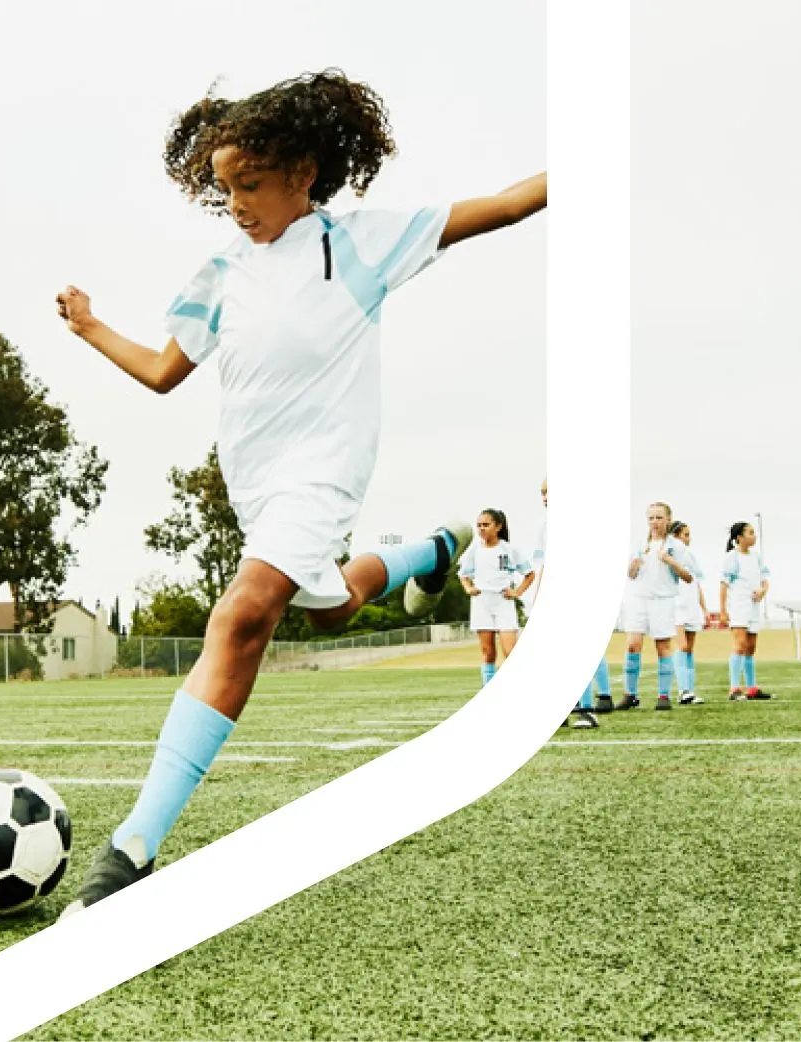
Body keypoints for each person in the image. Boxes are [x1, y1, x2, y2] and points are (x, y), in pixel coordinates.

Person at [53, 69, 544, 914]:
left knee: (241, 613)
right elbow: (166, 372)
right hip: (256, 481)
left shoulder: (361, 244)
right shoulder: (219, 273)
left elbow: (499, 206)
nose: (237, 203)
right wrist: (92, 325)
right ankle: (426, 551)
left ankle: (133, 846)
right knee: (327, 611)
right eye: (225, 189)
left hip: (325, 470)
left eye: (251, 184)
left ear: (304, 173)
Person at [529, 480, 605, 728]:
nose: (546, 497)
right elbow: (544, 565)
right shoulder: (545, 527)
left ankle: (587, 710)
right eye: (544, 493)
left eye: (551, 492)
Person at [621, 503, 697, 711]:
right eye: (651, 518)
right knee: (632, 645)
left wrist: (670, 561)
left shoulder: (676, 547)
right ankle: (630, 695)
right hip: (639, 599)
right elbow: (630, 574)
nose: (655, 522)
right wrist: (633, 566)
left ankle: (663, 695)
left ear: (668, 520)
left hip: (662, 601)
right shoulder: (639, 544)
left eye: (659, 517)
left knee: (662, 647)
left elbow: (689, 577)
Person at [459, 509, 534, 688]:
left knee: (510, 652)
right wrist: (469, 588)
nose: (482, 529)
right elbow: (463, 574)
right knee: (488, 653)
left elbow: (530, 574)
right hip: (481, 603)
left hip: (503, 603)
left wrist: (517, 593)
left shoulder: (509, 549)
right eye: (479, 525)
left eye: (486, 525)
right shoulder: (474, 550)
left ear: (498, 527)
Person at [718, 521, 772, 699]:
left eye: (754, 532)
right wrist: (723, 611)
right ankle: (734, 688)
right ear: (739, 538)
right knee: (739, 645)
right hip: (739, 607)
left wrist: (763, 591)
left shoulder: (756, 557)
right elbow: (724, 585)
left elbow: (765, 579)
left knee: (751, 647)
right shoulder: (732, 558)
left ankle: (752, 688)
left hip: (754, 608)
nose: (754, 535)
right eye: (750, 533)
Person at [669, 521, 710, 704]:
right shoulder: (669, 554)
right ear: (675, 536)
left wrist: (704, 608)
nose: (688, 538)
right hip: (676, 606)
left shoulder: (690, 556)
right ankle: (683, 690)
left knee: (690, 649)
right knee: (682, 646)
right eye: (685, 534)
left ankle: (690, 691)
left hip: (692, 606)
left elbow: (696, 584)